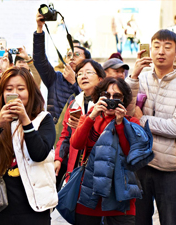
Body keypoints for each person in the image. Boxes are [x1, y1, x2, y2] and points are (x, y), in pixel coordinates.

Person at [0, 67, 57, 224]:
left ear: (31, 92)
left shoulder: (43, 119)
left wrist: (25, 120)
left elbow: (39, 153)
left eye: (21, 88)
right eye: (9, 89)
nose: (15, 93)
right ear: (1, 94)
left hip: (35, 206)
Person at [70, 77, 139, 225]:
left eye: (117, 96)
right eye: (106, 95)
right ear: (99, 97)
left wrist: (120, 124)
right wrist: (92, 116)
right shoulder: (89, 118)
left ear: (124, 99)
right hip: (89, 194)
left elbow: (131, 155)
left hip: (120, 197)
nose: (110, 100)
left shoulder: (132, 122)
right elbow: (76, 144)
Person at [125, 29, 176, 225]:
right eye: (156, 46)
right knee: (138, 220)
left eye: (167, 47)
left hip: (170, 168)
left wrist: (143, 119)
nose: (160, 51)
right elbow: (128, 111)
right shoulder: (142, 78)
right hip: (140, 164)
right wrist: (133, 76)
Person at [54, 59, 105, 190]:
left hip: (98, 166)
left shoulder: (105, 104)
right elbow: (65, 135)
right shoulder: (74, 103)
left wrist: (83, 127)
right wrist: (58, 159)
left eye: (89, 72)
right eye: (80, 73)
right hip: (75, 166)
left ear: (100, 78)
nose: (83, 76)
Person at [34, 12, 91, 124]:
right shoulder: (56, 78)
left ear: (87, 61)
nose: (72, 57)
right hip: (56, 134)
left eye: (77, 54)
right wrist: (39, 28)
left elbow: (89, 106)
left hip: (79, 132)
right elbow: (40, 60)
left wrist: (75, 83)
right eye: (69, 55)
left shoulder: (92, 81)